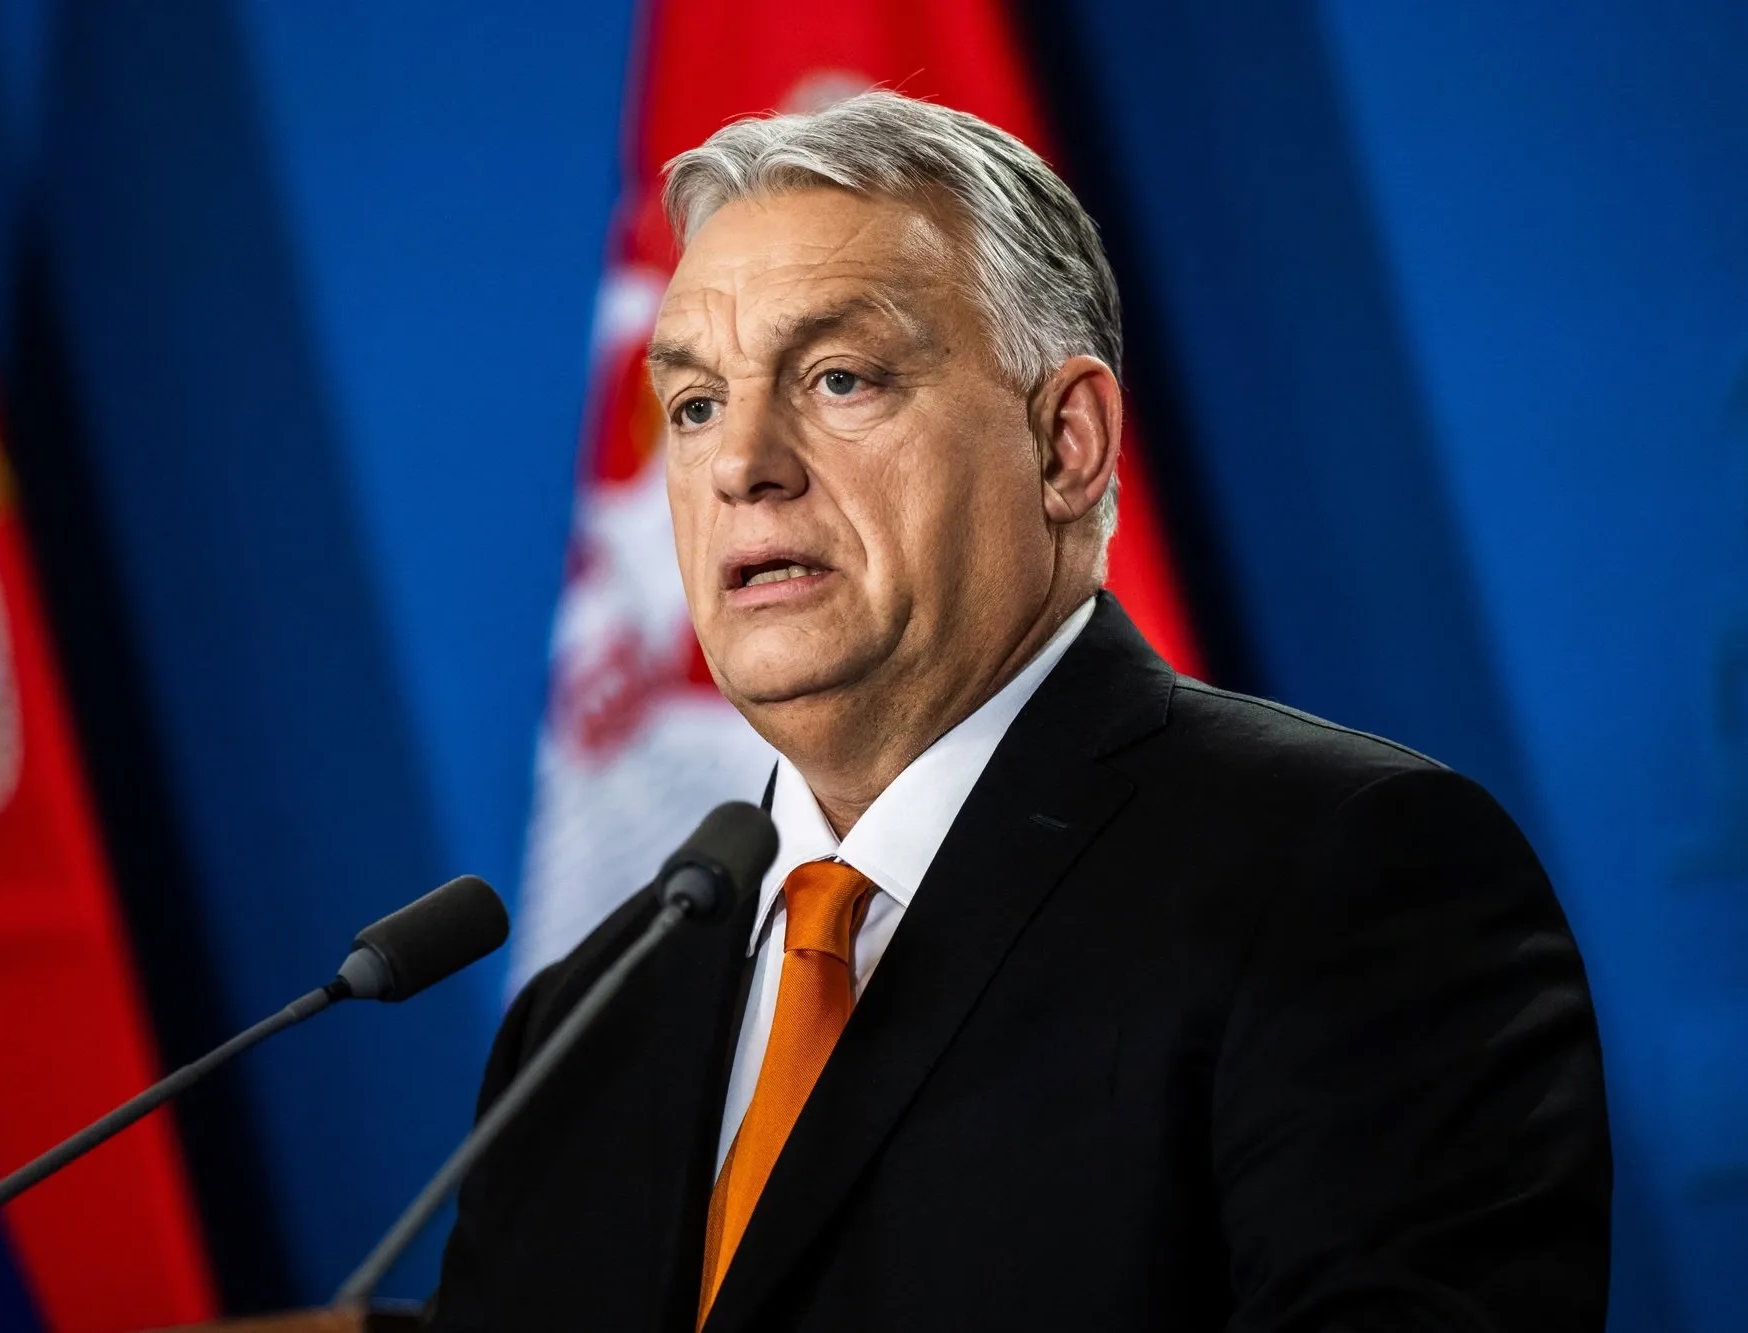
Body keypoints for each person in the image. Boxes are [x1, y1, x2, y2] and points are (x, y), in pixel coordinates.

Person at [432, 92, 1610, 1332]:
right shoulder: (583, 1025)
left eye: (838, 378)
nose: (740, 465)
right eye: (692, 406)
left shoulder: (1344, 876)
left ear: (1065, 443)